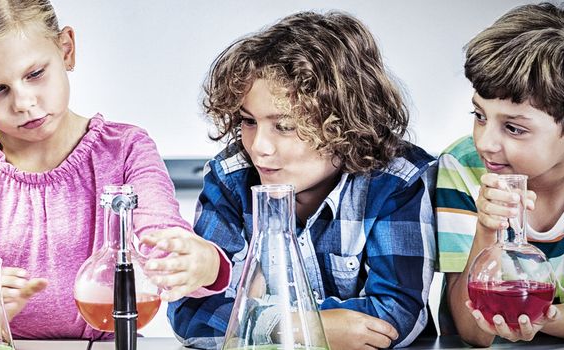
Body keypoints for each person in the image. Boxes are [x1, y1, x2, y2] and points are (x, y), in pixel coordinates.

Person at [0, 0, 232, 340]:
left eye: (35, 74)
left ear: (66, 50)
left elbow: (164, 239)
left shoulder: (125, 150)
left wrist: (202, 263)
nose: (23, 102)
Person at [169, 11, 437, 349]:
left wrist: (250, 317)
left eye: (284, 126)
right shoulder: (231, 177)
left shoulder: (397, 179)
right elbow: (191, 313)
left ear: (346, 124)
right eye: (249, 121)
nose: (259, 148)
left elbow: (395, 315)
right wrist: (295, 327)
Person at [436, 2, 564, 346]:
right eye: (480, 115)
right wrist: (487, 226)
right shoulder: (462, 166)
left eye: (513, 128)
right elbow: (470, 330)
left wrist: (543, 317)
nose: (485, 143)